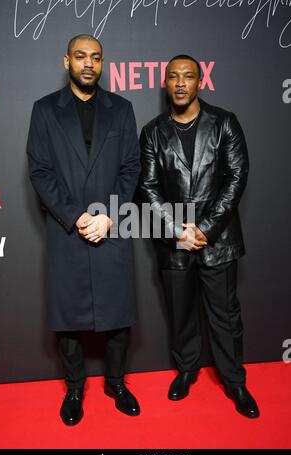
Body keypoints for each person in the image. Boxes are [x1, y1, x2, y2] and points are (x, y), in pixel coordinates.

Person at [27, 34, 141, 425]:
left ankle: (116, 384)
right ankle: (75, 389)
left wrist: (108, 215)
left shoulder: (122, 109)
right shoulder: (44, 110)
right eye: (80, 56)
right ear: (67, 62)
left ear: (102, 63)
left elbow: (131, 167)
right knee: (68, 317)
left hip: (111, 225)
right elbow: (40, 171)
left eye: (95, 57)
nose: (88, 63)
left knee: (118, 312)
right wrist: (77, 216)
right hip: (68, 229)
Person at [139, 54, 259, 418]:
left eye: (187, 76)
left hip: (217, 241)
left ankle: (234, 381)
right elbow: (147, 186)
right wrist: (178, 231)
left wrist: (204, 229)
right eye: (173, 77)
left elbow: (236, 178)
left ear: (199, 82)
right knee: (181, 315)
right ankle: (187, 370)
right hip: (173, 243)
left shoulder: (224, 123)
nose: (179, 83)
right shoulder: (152, 131)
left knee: (225, 316)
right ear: (165, 84)